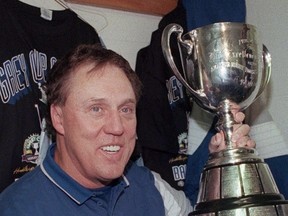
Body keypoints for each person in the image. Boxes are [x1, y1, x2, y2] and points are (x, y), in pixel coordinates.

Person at [0, 44, 254, 216]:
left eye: (125, 109)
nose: (117, 127)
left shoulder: (150, 186)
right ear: (58, 118)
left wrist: (220, 171)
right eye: (96, 109)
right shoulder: (17, 208)